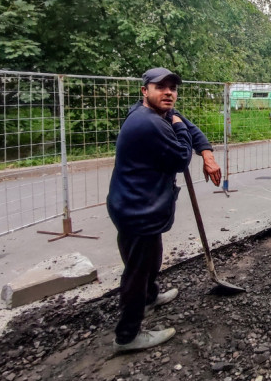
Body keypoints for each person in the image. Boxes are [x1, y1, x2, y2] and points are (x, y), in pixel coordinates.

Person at [107, 67, 222, 353]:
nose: (169, 92)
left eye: (172, 87)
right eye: (161, 87)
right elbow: (181, 157)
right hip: (138, 210)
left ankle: (150, 296)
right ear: (145, 91)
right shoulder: (149, 123)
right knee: (137, 269)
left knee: (151, 259)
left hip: (136, 204)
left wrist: (207, 153)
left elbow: (190, 127)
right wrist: (181, 128)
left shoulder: (158, 113)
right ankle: (127, 336)